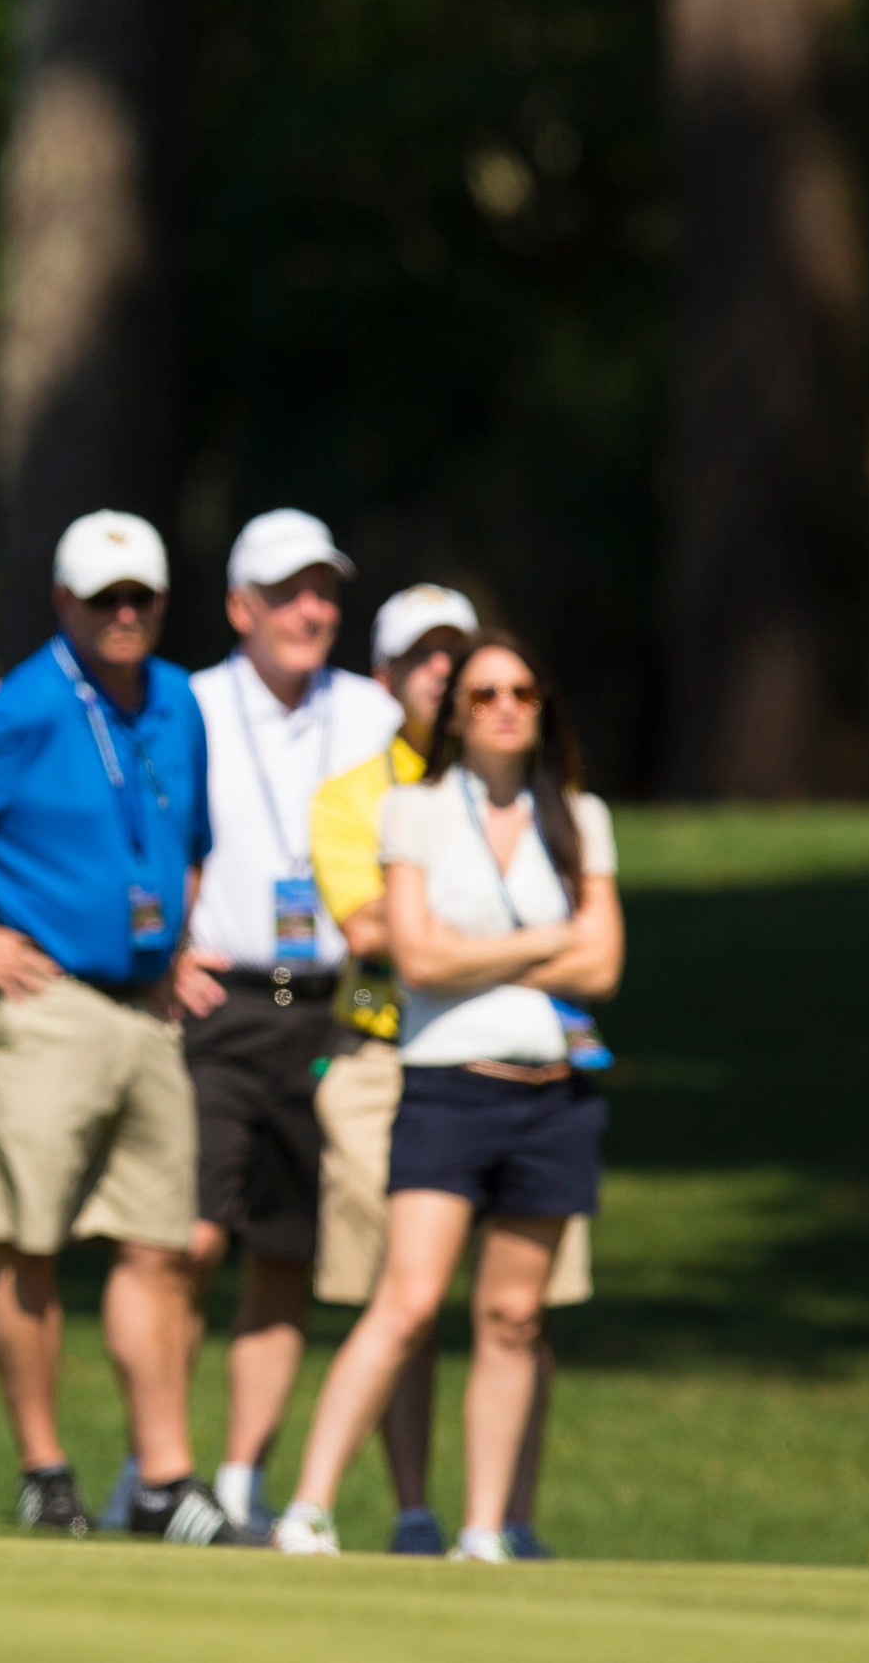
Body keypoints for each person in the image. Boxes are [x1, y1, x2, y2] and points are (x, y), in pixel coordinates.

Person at [0, 513, 260, 1546]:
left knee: (156, 1245)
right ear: (64, 603)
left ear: (162, 603)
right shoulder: (28, 705)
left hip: (143, 1011)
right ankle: (45, 1469)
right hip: (37, 1005)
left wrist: (173, 940)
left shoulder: (177, 699)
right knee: (26, 1240)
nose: (123, 614)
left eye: (139, 597)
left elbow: (188, 838)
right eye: (103, 598)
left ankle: (167, 1482)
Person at [274, 630, 623, 1561]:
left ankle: (485, 1529)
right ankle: (308, 1507)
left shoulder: (579, 817)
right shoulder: (413, 813)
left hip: (553, 1090)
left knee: (513, 1318)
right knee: (410, 1300)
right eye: (482, 694)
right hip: (446, 1086)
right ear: (453, 715)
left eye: (521, 692)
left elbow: (606, 960)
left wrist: (487, 960)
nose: (504, 707)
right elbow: (416, 957)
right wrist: (541, 949)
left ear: (543, 708)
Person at [166, 509, 400, 1533]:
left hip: (334, 1007)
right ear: (238, 607)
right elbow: (158, 829)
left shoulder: (368, 711)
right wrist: (164, 947)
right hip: (222, 1000)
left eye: (322, 592)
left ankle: (236, 1481)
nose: (309, 611)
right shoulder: (191, 704)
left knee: (283, 1252)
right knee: (190, 1239)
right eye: (286, 592)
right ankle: (159, 1466)